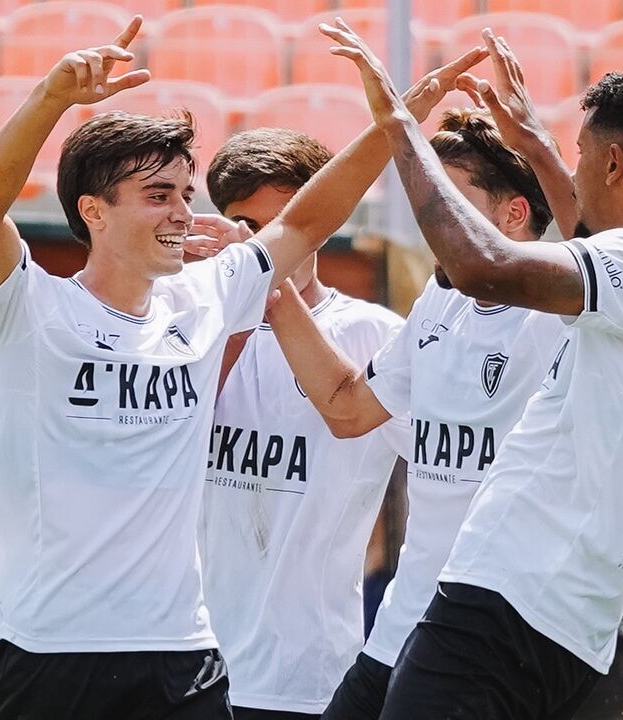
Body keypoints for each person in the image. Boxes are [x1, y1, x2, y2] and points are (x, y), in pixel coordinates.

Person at [0, 13, 489, 717]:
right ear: (94, 211)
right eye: (157, 196)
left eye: (183, 193)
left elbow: (304, 222)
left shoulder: (205, 299)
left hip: (181, 651)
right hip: (51, 646)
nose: (181, 214)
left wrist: (399, 120)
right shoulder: (30, 309)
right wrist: (51, 100)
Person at [322, 20, 623, 719]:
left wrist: (397, 124)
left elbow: (481, 266)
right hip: (562, 619)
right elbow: (596, 242)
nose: (570, 175)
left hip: (507, 598)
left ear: (614, 163)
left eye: (581, 158)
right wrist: (537, 145)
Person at [265, 102, 571, 720]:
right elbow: (348, 410)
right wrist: (269, 291)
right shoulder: (441, 300)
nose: (431, 219)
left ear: (515, 215)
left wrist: (537, 146)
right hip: (403, 620)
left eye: (449, 201)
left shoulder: (562, 312)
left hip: (489, 634)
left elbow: (599, 239)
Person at [198, 127, 408, 720]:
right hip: (184, 665)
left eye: (283, 225)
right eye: (247, 227)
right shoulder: (185, 328)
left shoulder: (376, 336)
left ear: (320, 223)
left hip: (308, 679)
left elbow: (453, 476)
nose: (267, 245)